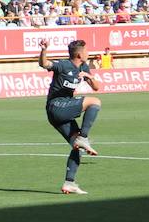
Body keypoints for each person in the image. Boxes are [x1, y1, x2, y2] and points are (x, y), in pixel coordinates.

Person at [38, 39, 102, 195]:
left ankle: (69, 183)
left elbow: (96, 87)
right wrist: (44, 50)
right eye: (86, 51)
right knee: (95, 102)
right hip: (56, 106)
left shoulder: (83, 67)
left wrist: (89, 76)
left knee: (76, 147)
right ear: (80, 54)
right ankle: (84, 137)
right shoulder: (64, 65)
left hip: (60, 111)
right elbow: (44, 64)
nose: (88, 53)